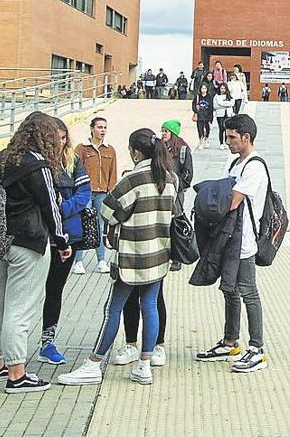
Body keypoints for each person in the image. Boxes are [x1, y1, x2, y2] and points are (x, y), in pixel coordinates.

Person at [58, 128, 175, 387]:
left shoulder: (132, 179)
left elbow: (109, 212)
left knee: (113, 309)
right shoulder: (169, 178)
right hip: (158, 255)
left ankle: (94, 363)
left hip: (131, 257)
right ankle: (144, 365)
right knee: (151, 306)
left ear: (135, 152)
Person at [0, 111, 70, 394]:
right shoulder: (38, 164)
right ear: (45, 136)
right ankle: (17, 374)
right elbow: (52, 207)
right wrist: (62, 242)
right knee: (20, 308)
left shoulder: (4, 158)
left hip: (1, 241)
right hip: (30, 242)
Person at [195, 113, 268, 373]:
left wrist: (210, 198)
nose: (227, 141)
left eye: (231, 137)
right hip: (228, 238)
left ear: (246, 137)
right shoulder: (235, 163)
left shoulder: (254, 166)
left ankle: (257, 348)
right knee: (229, 289)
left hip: (244, 241)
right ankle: (230, 341)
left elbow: (231, 200)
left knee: (248, 290)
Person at [38, 117, 92, 365]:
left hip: (68, 236)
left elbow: (84, 194)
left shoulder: (73, 162)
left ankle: (47, 342)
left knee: (55, 289)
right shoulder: (38, 163)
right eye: (55, 138)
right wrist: (51, 210)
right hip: (41, 237)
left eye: (63, 138)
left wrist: (62, 208)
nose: (59, 143)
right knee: (31, 291)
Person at [73, 117, 116, 274]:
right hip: (85, 192)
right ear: (92, 129)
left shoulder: (109, 150)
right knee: (83, 224)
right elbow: (75, 170)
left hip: (102, 192)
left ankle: (101, 260)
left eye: (105, 127)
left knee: (100, 226)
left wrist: (110, 191)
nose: (102, 130)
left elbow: (113, 173)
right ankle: (78, 261)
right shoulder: (82, 148)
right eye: (99, 127)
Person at [160, 120, 193, 271]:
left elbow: (188, 173)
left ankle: (177, 258)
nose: (163, 134)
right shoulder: (159, 148)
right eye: (162, 131)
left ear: (173, 133)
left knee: (176, 223)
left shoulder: (183, 150)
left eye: (166, 131)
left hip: (176, 192)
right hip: (161, 190)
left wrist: (177, 185)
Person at [192, 82, 215, 148]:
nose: (204, 90)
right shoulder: (197, 96)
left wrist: (211, 117)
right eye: (202, 88)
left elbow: (211, 107)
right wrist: (196, 111)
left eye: (205, 88)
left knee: (207, 129)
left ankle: (206, 139)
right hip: (199, 116)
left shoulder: (209, 97)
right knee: (200, 129)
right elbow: (193, 105)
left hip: (207, 115)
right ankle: (201, 142)